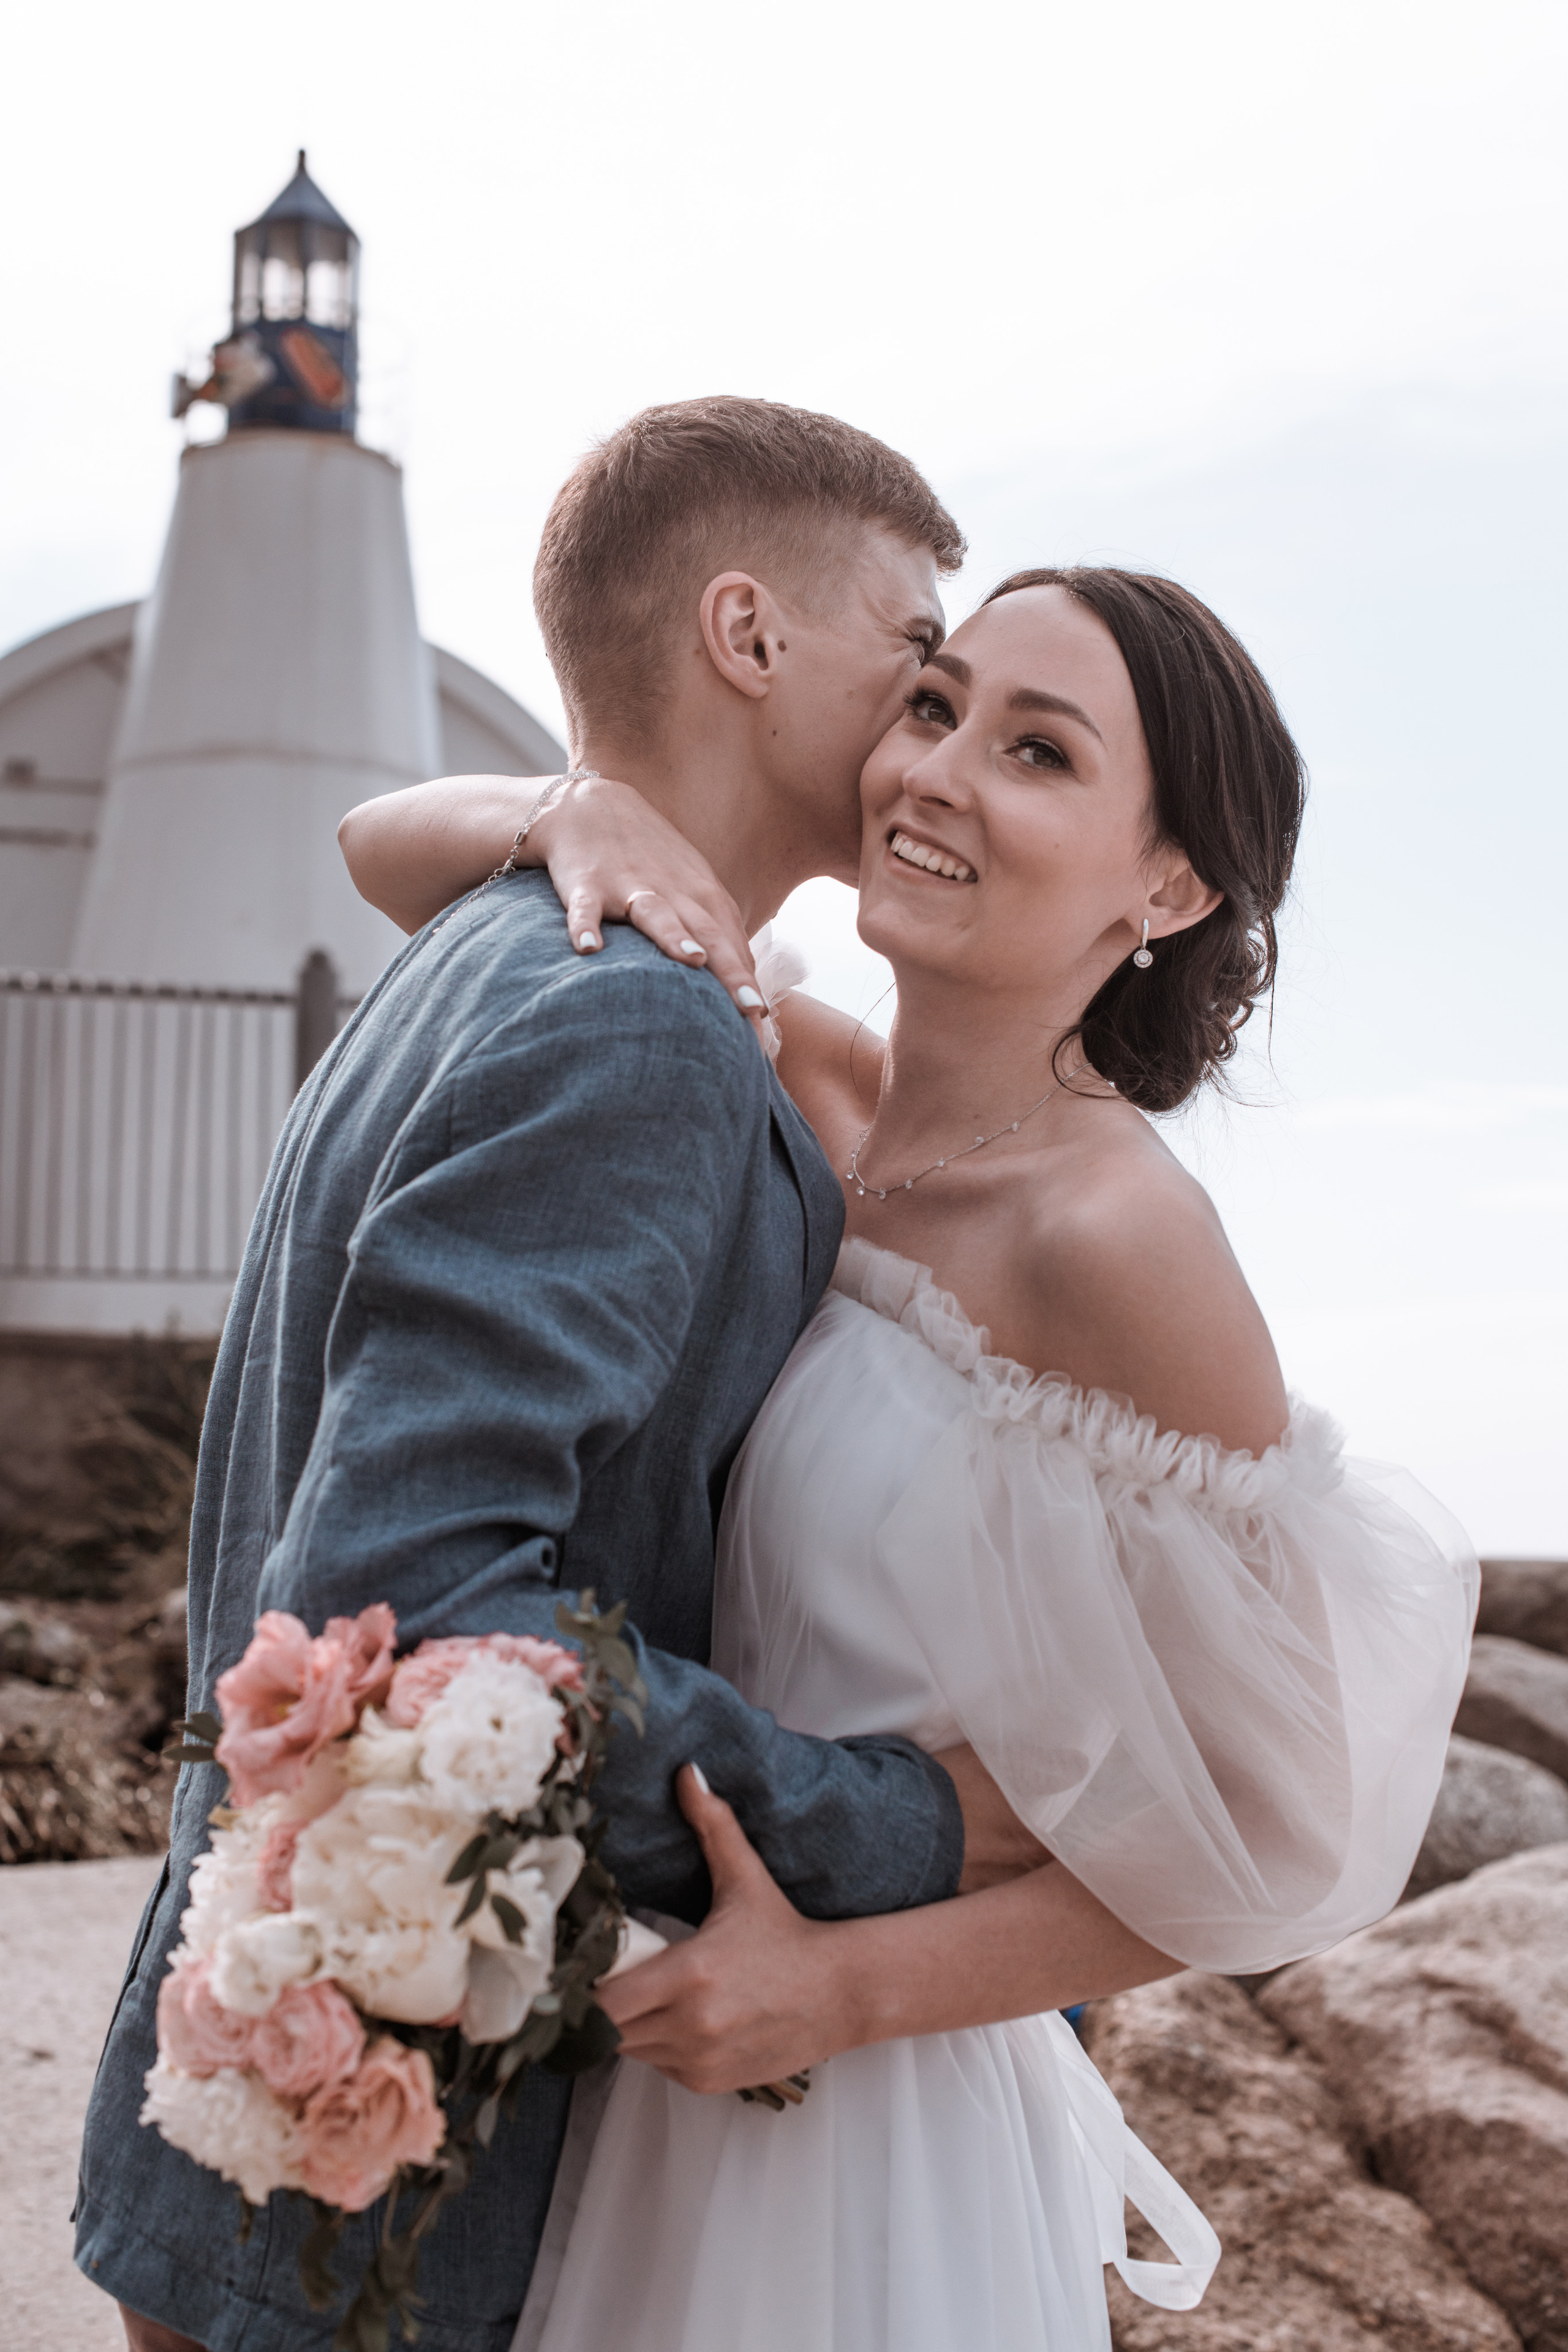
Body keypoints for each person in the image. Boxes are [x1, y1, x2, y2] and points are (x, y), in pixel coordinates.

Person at [76, 400, 1118, 2352]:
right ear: (748, 634)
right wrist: (904, 1825)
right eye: (916, 657)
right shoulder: (633, 1026)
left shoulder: (487, 949)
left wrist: (557, 806)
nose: (930, 731)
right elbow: (418, 1609)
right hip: (403, 2183)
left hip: (269, 2114)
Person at [342, 562, 1477, 2351]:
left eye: (1038, 752)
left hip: (860, 2111)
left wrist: (842, 1992)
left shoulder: (1115, 1239)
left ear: (1170, 886)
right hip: (643, 2050)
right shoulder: (797, 1076)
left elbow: (1278, 1825)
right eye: (936, 706)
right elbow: (378, 850)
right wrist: (581, 813)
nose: (935, 773)